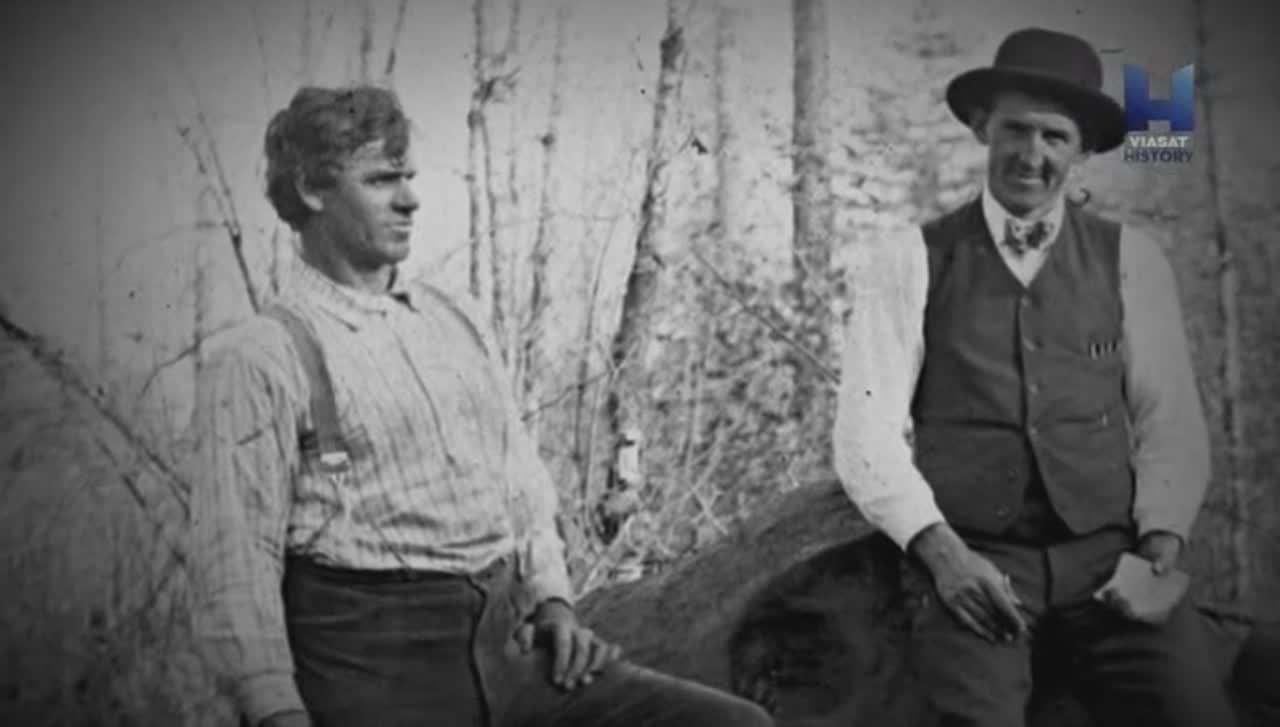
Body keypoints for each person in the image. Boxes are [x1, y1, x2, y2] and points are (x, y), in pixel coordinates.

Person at [189, 84, 774, 727]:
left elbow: (521, 486)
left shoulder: (456, 320)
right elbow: (234, 569)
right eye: (381, 180)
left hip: (511, 657)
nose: (410, 199)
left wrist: (554, 602)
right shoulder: (261, 356)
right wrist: (276, 713)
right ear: (309, 189)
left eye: (409, 177)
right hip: (373, 679)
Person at [832, 28, 1238, 727]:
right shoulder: (912, 259)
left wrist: (1158, 550)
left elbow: (1168, 423)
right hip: (976, 561)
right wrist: (944, 557)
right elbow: (865, 435)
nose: (1031, 154)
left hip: (1108, 562)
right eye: (1015, 130)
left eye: (1055, 137)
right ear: (982, 128)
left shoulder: (1132, 259)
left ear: (1083, 151)